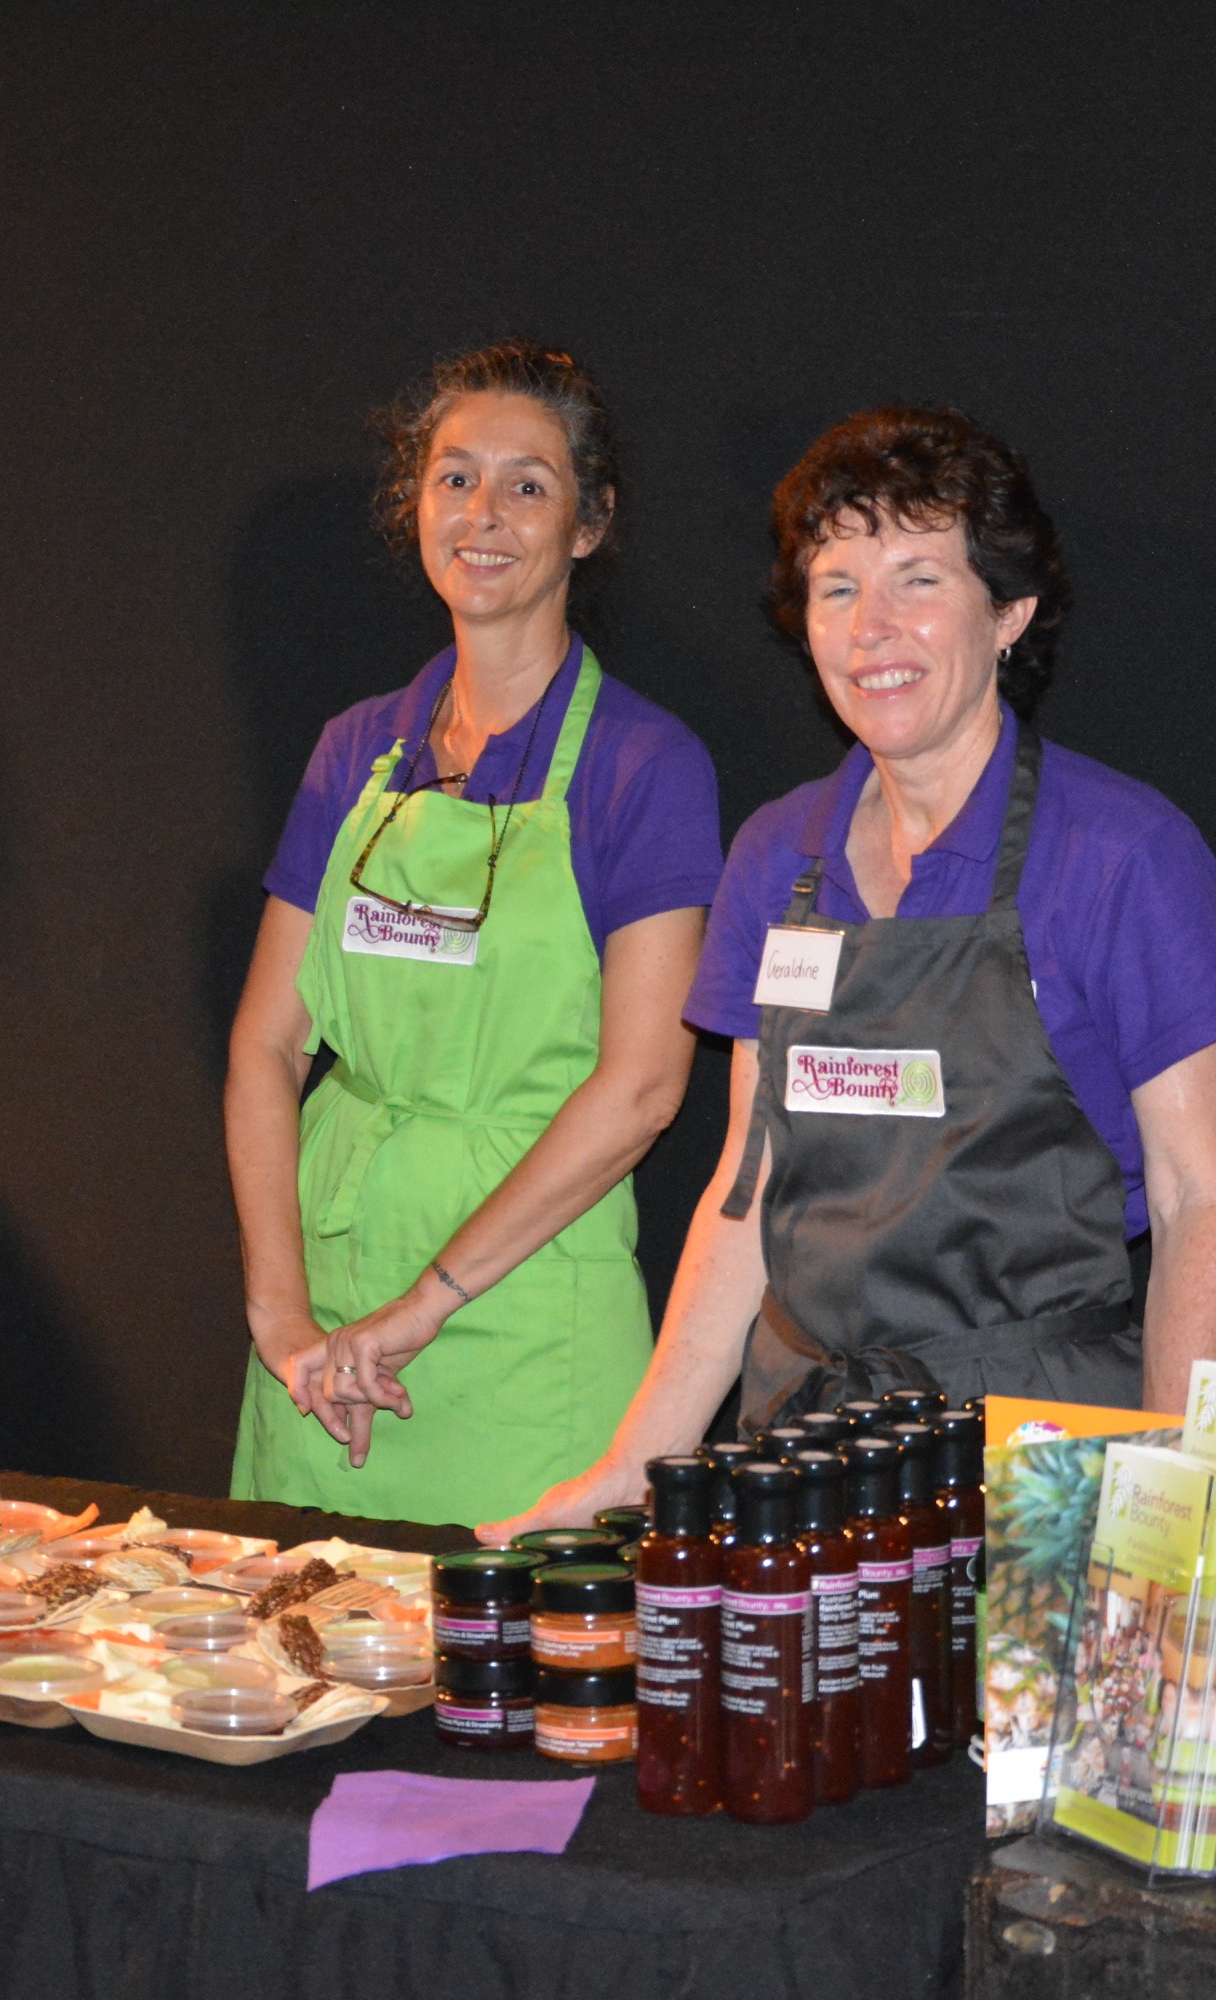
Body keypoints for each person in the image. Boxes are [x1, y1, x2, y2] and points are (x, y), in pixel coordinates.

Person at [488, 406, 1216, 1537]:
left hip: (1039, 1462)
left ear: (1009, 612)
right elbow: (748, 1190)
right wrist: (638, 1459)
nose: (870, 628)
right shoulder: (776, 856)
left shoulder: (1124, 855)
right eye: (837, 587)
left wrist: (1168, 1498)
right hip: (801, 1455)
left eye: (918, 581)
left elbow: (1202, 1197)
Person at [225, 341, 723, 1526]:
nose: (482, 514)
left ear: (587, 526)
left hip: (525, 1324)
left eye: (527, 485)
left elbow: (645, 1086)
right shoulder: (358, 749)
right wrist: (280, 1315)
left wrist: (424, 1305)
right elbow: (265, 1045)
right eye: (455, 477)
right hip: (324, 1334)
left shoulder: (644, 766)